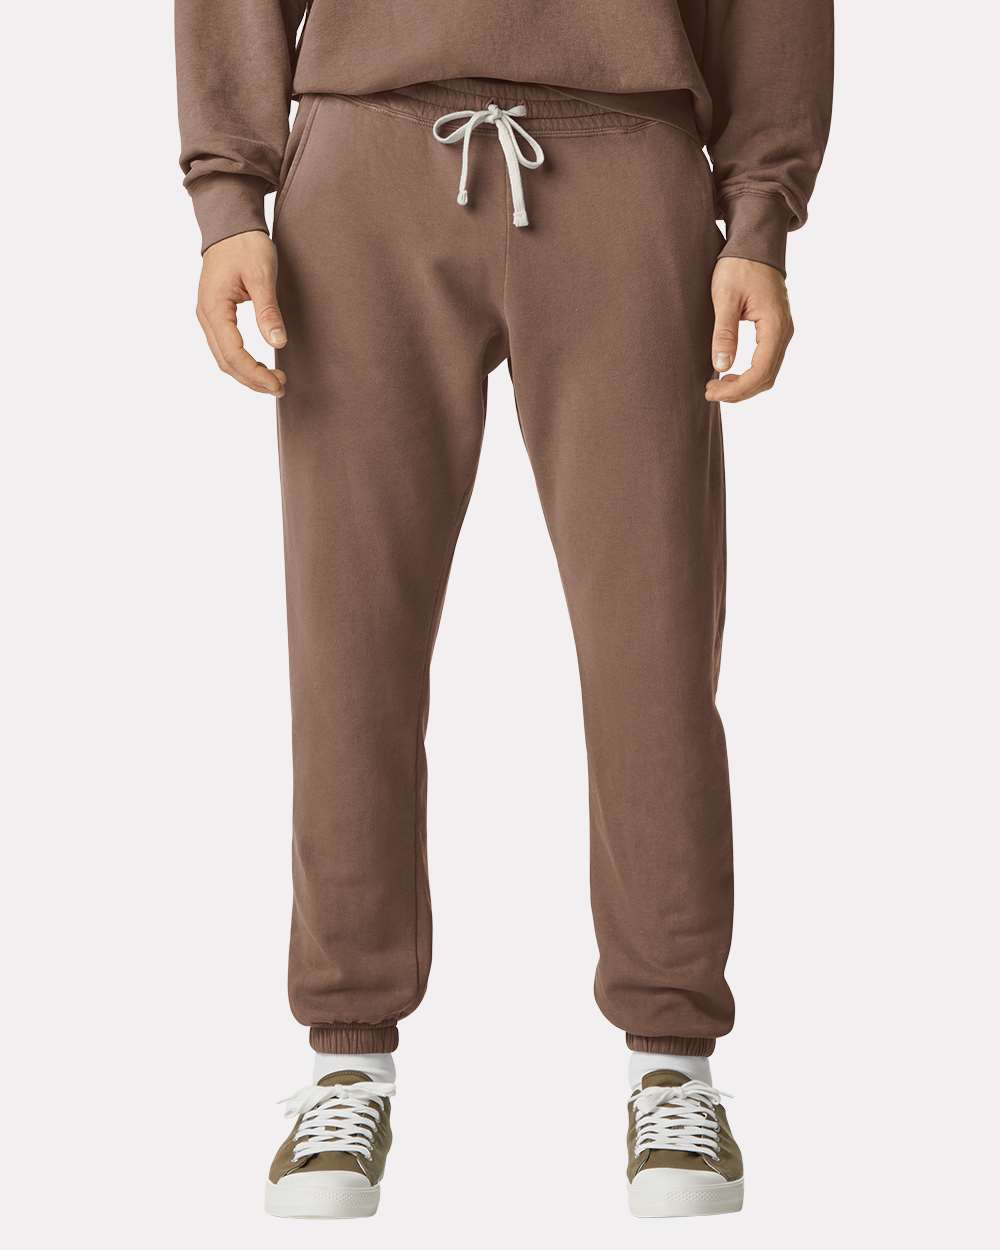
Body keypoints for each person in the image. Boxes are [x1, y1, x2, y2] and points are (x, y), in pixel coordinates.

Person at [176, 0, 833, 1220]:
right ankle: (346, 1055)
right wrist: (229, 201)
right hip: (364, 162)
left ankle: (672, 1060)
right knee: (349, 641)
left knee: (652, 643)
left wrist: (759, 218)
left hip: (626, 157)